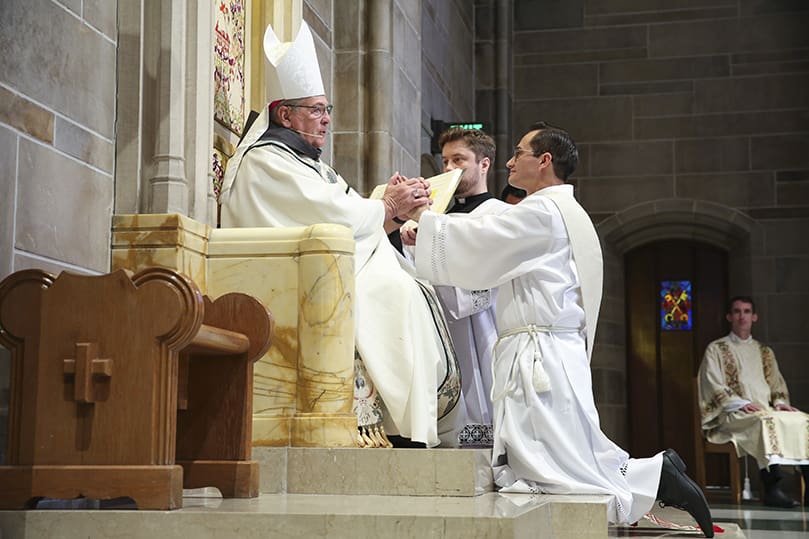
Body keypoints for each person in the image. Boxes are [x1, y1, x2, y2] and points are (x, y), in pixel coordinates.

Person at [409, 122, 715, 535]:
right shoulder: (559, 209)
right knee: (562, 456)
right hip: (547, 350)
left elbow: (485, 241)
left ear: (545, 161)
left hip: (539, 355)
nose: (510, 161)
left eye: (519, 153)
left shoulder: (543, 211)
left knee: (549, 466)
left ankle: (654, 478)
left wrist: (423, 222)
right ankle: (652, 474)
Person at [219, 22, 463, 448]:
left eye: (328, 109)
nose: (327, 119)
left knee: (401, 286)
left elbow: (340, 212)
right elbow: (328, 216)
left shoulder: (304, 161)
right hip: (286, 282)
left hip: (318, 268)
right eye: (316, 110)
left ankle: (403, 425)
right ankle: (395, 427)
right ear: (285, 115)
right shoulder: (268, 161)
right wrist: (387, 206)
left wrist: (388, 209)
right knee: (392, 292)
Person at [403, 127, 509, 446]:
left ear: (484, 164)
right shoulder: (435, 216)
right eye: (445, 161)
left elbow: (481, 285)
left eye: (459, 160)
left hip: (479, 331)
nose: (448, 169)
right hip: (434, 330)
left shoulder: (499, 215)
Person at [698, 296, 809, 507]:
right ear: (729, 317)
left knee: (803, 420)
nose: (742, 316)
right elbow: (712, 383)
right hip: (733, 413)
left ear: (754, 317)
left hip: (765, 409)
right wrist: (739, 403)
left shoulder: (765, 352)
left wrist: (779, 402)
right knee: (764, 423)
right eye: (737, 312)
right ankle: (772, 487)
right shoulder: (716, 349)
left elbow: (776, 383)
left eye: (747, 311)